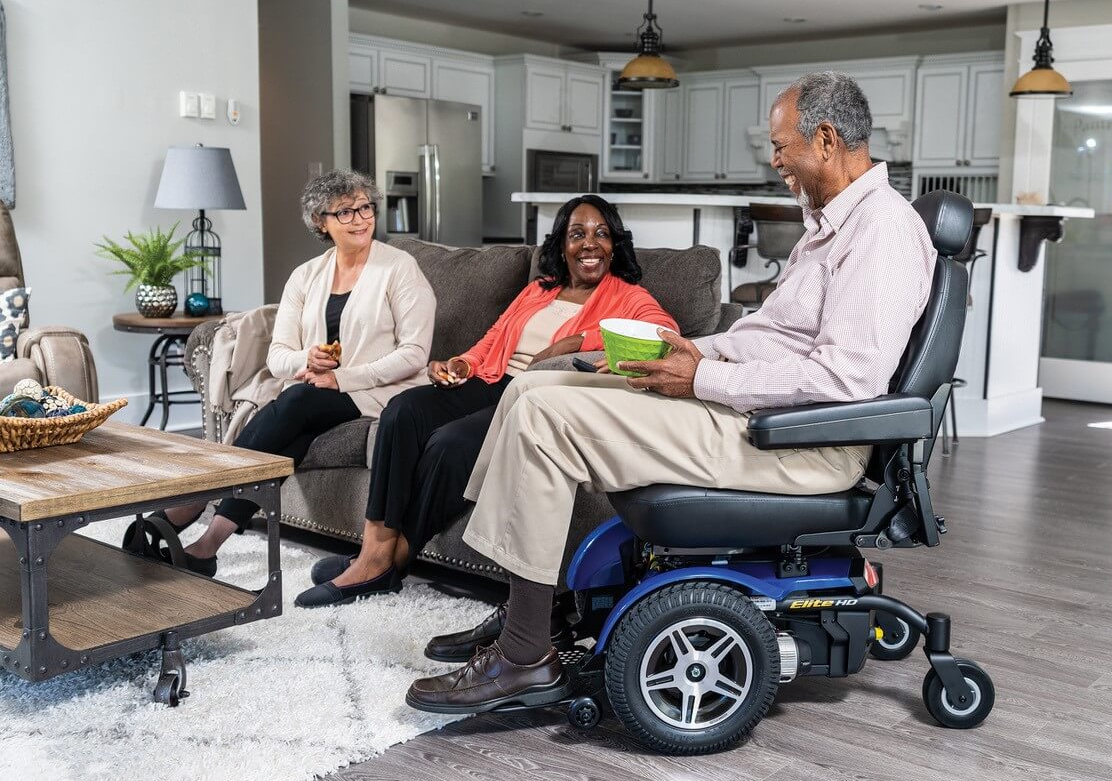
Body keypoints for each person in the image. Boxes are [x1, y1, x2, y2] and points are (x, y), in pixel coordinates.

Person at [402, 71, 939, 715]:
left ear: (825, 140)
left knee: (544, 414)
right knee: (535, 384)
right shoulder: (830, 225)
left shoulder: (880, 231)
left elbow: (847, 379)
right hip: (755, 413)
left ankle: (524, 656)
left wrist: (700, 379)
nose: (775, 162)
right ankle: (525, 610)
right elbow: (770, 337)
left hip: (799, 444)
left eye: (780, 146)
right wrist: (678, 352)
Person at [293, 194, 678, 608]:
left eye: (602, 234)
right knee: (403, 410)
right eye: (577, 234)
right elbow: (495, 340)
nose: (590, 243)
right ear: (561, 245)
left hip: (535, 397)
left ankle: (391, 561)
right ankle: (374, 552)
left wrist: (576, 342)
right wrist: (461, 363)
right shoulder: (539, 290)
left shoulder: (627, 296)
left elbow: (664, 335)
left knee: (452, 443)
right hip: (492, 379)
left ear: (615, 244)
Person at [123, 170, 436, 577]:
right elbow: (278, 358)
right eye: (345, 212)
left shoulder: (399, 268)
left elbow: (415, 354)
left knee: (297, 401)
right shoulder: (306, 276)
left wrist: (340, 378)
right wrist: (309, 359)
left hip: (382, 391)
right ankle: (206, 546)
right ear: (320, 222)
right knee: (296, 428)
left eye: (365, 208)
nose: (360, 219)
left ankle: (198, 496)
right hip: (316, 394)